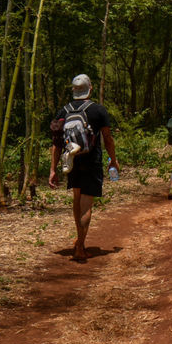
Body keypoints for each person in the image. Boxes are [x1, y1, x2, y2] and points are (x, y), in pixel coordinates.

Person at [49, 74, 118, 262]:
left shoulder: (64, 111)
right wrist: (113, 159)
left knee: (77, 201)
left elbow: (56, 143)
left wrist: (53, 169)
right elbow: (108, 139)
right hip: (91, 161)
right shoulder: (98, 110)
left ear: (74, 90)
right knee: (86, 206)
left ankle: (80, 238)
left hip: (71, 161)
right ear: (90, 89)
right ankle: (80, 246)